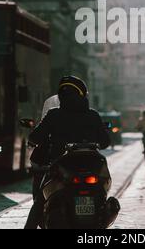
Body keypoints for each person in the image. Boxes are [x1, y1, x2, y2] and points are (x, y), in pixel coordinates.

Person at [24, 75, 111, 229]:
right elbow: (105, 142)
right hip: (91, 166)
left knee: (40, 201)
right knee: (102, 194)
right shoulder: (93, 115)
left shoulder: (54, 115)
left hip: (62, 165)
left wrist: (34, 139)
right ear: (83, 95)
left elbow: (35, 137)